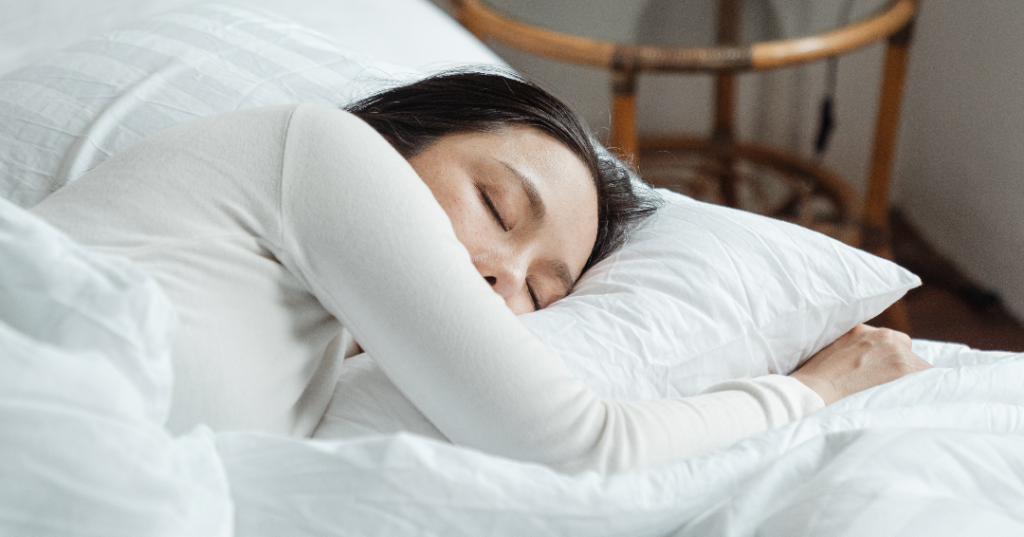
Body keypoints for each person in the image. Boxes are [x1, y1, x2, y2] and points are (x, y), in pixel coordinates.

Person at [31, 71, 930, 474]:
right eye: (499, 208)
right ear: (393, 135)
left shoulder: (313, 349)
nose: (502, 278)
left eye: (542, 292)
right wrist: (809, 390)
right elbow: (583, 444)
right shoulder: (321, 148)